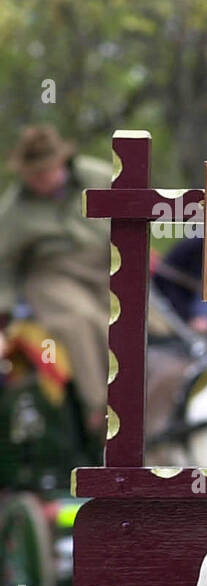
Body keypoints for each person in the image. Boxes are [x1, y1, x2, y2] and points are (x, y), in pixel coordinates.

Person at [0, 125, 113, 446]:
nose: (38, 180)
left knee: (145, 325)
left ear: (61, 162)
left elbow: (136, 212)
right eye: (31, 174)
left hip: (106, 269)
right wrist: (3, 315)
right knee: (82, 320)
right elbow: (4, 264)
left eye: (44, 171)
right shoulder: (15, 209)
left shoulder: (99, 176)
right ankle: (101, 407)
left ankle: (152, 405)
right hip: (51, 276)